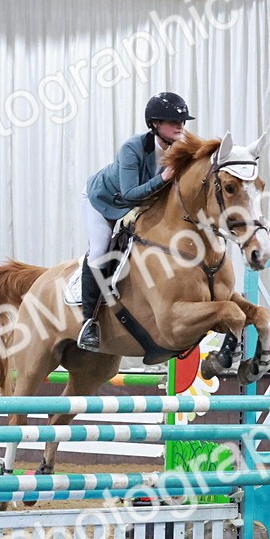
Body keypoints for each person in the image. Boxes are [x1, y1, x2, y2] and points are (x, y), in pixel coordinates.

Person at [77, 91, 195, 351]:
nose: (180, 126)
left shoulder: (181, 147)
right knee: (99, 250)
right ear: (154, 124)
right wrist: (164, 178)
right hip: (104, 201)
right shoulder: (133, 147)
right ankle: (89, 322)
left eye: (182, 122)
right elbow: (130, 193)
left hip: (139, 205)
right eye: (172, 121)